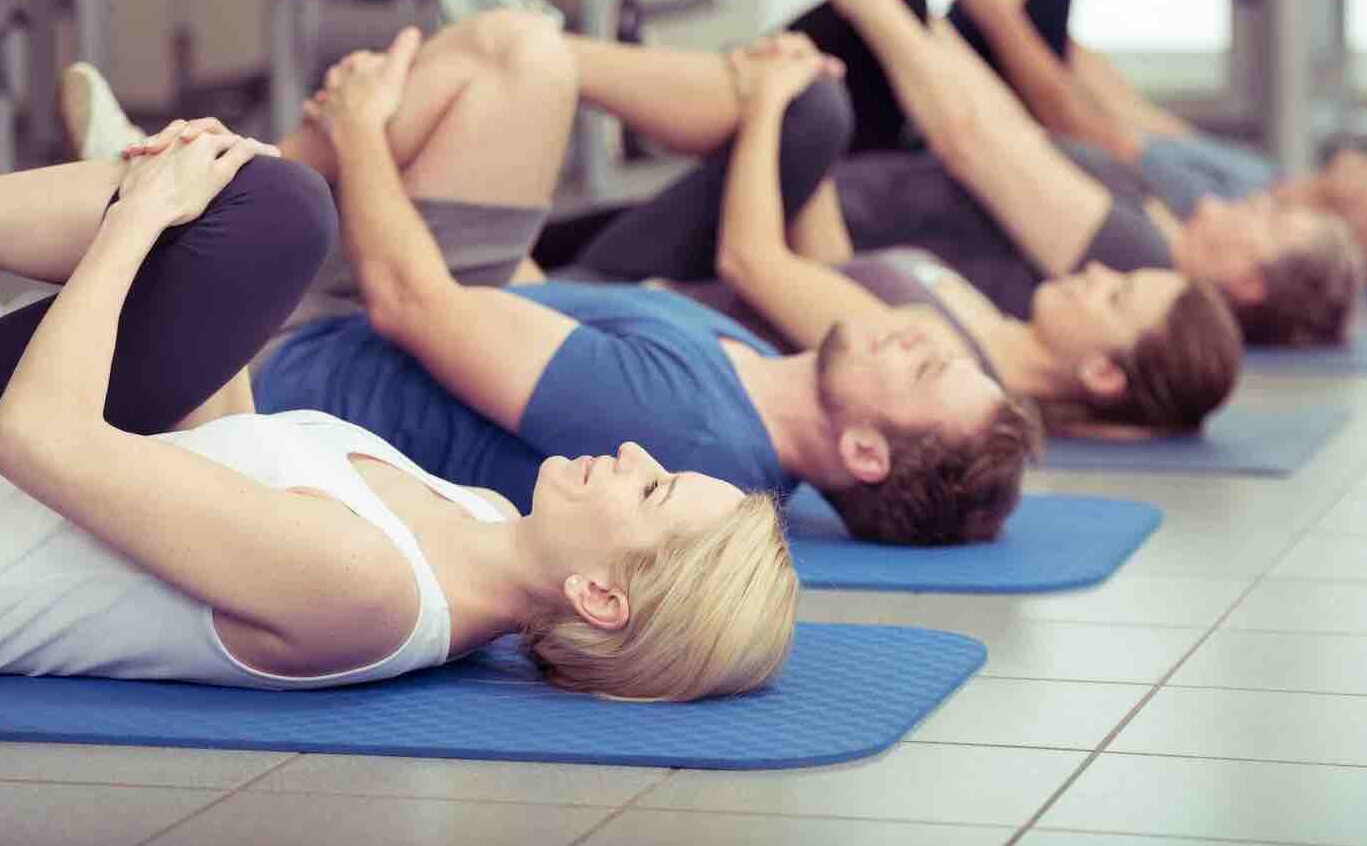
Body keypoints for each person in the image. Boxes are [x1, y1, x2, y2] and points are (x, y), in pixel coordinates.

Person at [114, 11, 1024, 547]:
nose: (919, 335)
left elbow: (409, 305)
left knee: (500, 62)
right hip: (385, 309)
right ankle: (195, 174)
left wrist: (362, 129)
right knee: (523, 58)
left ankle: (174, 186)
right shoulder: (754, 367)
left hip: (271, 357)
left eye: (926, 371)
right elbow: (531, 300)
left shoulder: (688, 427)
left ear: (865, 452)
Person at [0, 125, 796, 702]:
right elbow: (220, 449)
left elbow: (37, 434)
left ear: (599, 596)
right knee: (263, 218)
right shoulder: (475, 515)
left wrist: (136, 218)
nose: (633, 452)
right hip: (34, 449)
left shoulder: (367, 588)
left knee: (271, 211)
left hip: (21, 456)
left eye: (651, 490)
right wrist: (205, 260)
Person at [529, 29, 1241, 441]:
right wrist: (799, 125)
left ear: (1102, 373)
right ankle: (539, 54)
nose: (1098, 273)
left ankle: (534, 54)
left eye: (1114, 296)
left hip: (607, 299)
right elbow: (834, 264)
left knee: (802, 102)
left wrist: (771, 110)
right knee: (815, 100)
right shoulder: (982, 325)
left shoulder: (936, 359)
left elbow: (749, 261)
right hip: (651, 278)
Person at [786, 0, 1366, 348]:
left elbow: (974, 145)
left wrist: (876, 7)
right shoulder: (1159, 222)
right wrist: (923, 22)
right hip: (870, 175)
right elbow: (1014, 130)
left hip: (843, 199)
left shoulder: (1136, 259)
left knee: (827, 71)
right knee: (897, 12)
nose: (1262, 203)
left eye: (1276, 222)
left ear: (1247, 281)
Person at [944, 0, 1367, 298]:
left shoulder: (1212, 215)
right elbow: (1130, 111)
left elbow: (1078, 126)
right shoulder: (1260, 180)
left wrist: (1001, 15)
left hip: (988, 135)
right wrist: (1053, 44)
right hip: (1009, 110)